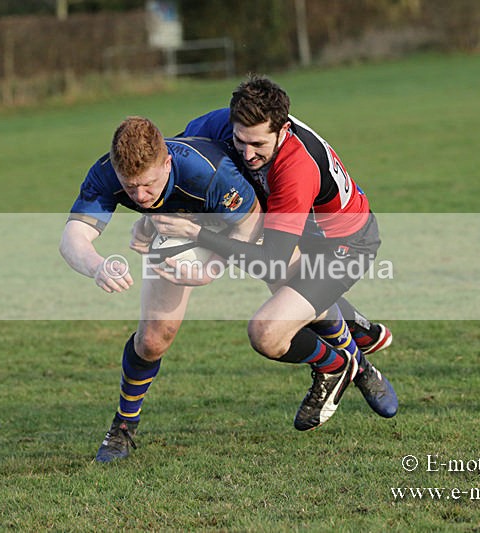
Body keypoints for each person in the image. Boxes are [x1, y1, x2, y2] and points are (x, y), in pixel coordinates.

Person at [152, 74, 398, 431]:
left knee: (267, 333)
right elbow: (176, 164)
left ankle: (341, 366)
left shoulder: (295, 171)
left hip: (346, 246)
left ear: (282, 130)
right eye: (240, 140)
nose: (247, 153)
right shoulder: (218, 125)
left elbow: (271, 261)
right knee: (290, 292)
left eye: (258, 144)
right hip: (300, 235)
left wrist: (197, 233)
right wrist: (153, 213)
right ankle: (355, 331)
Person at [60, 116, 261, 461]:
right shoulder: (107, 173)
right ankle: (124, 426)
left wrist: (211, 265)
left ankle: (352, 350)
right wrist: (97, 266)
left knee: (293, 285)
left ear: (167, 162)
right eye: (130, 186)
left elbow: (251, 229)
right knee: (153, 339)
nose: (139, 195)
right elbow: (72, 237)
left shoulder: (211, 172)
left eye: (148, 184)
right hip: (176, 229)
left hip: (249, 212)